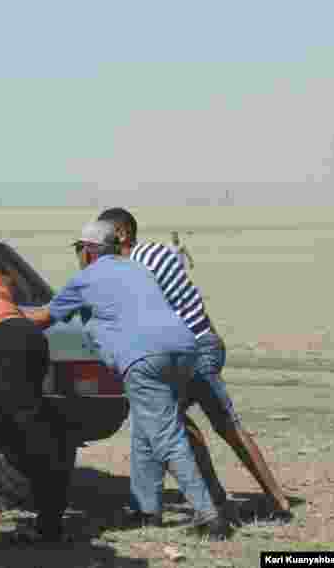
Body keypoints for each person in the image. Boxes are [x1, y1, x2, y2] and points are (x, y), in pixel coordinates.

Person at [26, 220, 231, 539]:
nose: (78, 256)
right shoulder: (138, 270)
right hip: (185, 348)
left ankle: (209, 516)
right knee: (149, 428)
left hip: (145, 357)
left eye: (79, 249)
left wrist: (2, 314)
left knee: (166, 435)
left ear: (90, 252)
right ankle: (147, 510)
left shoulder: (85, 279)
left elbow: (42, 317)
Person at [98, 208, 291, 521]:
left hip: (192, 350)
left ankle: (239, 504)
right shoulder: (158, 253)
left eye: (99, 233)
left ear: (120, 233)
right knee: (193, 422)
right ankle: (257, 502)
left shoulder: (137, 264)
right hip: (200, 343)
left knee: (216, 423)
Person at [0, 235, 73, 543]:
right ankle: (45, 491)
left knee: (23, 426)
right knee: (14, 420)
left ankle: (49, 518)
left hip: (4, 342)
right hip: (27, 336)